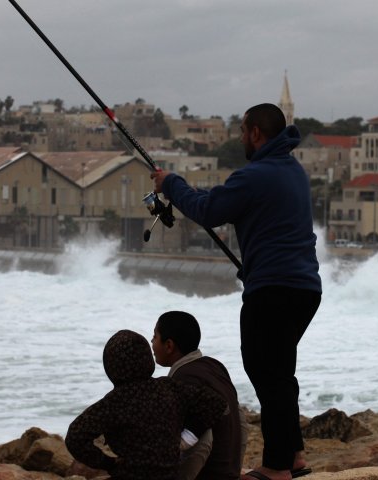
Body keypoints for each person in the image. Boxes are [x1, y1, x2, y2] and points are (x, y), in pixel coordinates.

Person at [151, 103, 321, 480]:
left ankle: (276, 467)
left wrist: (170, 183)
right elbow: (270, 225)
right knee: (280, 372)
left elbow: (208, 209)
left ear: (256, 133)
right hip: (305, 288)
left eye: (243, 130)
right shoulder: (293, 171)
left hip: (273, 290)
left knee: (266, 371)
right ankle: (294, 456)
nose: (241, 137)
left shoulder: (256, 175)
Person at [65, 329, 228, 480]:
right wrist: (188, 437)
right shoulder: (170, 387)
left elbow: (75, 437)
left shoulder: (114, 402)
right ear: (147, 359)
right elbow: (217, 403)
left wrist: (108, 463)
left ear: (111, 366)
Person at [151, 310, 248, 480]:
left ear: (169, 346)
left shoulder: (183, 379)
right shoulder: (214, 366)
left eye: (154, 336)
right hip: (230, 472)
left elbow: (203, 440)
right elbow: (241, 422)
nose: (152, 342)